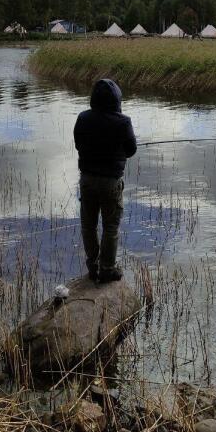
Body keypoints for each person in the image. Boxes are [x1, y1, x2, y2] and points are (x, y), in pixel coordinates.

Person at [73, 79, 137, 283]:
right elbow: (131, 150)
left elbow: (78, 144)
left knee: (88, 226)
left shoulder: (82, 118)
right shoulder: (124, 122)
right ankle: (107, 269)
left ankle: (93, 266)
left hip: (87, 179)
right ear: (117, 99)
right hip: (111, 182)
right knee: (110, 227)